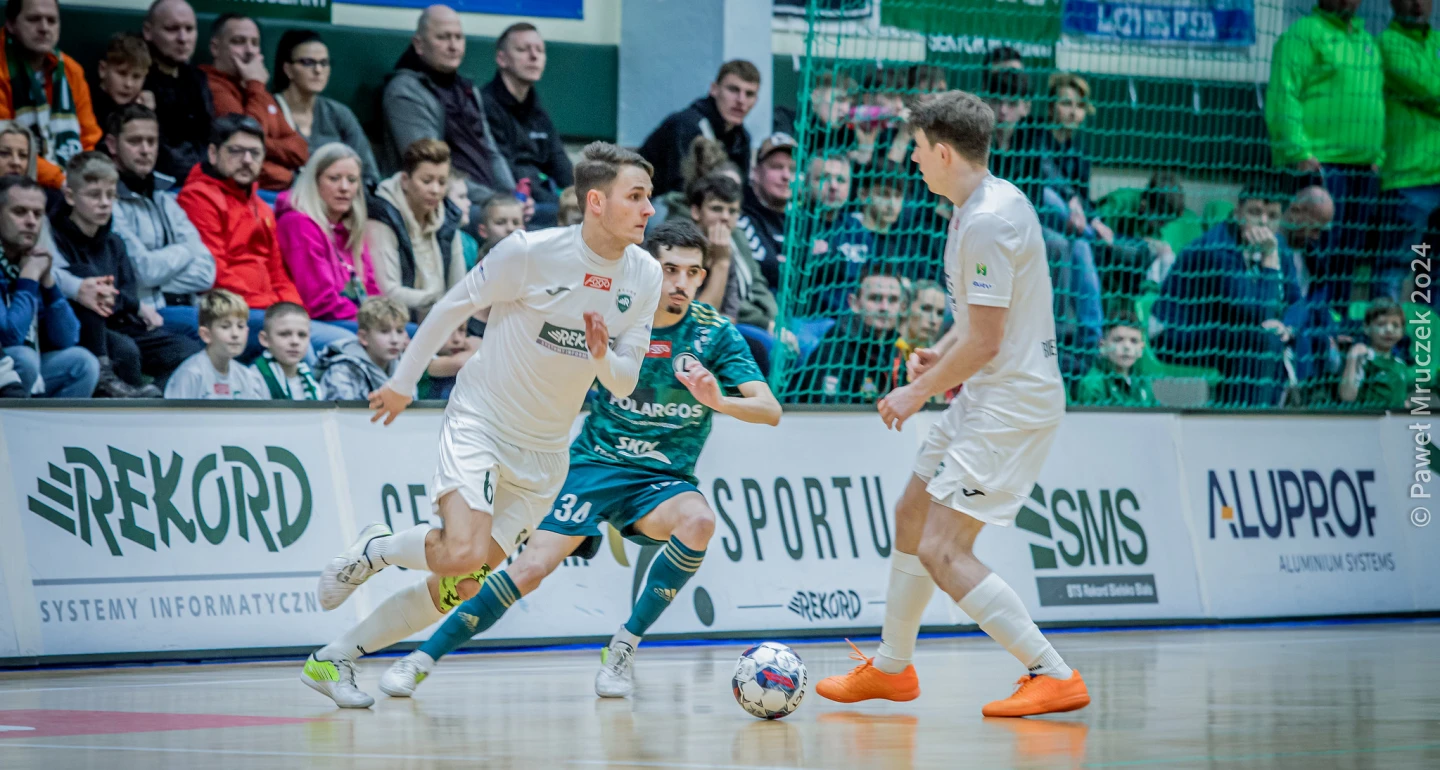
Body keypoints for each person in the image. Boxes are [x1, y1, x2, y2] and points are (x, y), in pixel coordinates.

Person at [301, 142, 662, 709]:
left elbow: (622, 381)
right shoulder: (529, 252)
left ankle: (333, 659)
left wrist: (600, 355)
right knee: (463, 551)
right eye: (635, 196)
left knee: (461, 584)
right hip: (483, 422)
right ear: (596, 201)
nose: (648, 209)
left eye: (649, 197)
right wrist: (403, 382)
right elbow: (452, 307)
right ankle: (378, 548)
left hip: (546, 452)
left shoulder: (644, 274)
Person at [378, 219, 781, 699]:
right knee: (528, 570)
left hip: (661, 479)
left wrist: (720, 401)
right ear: (649, 268)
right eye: (671, 269)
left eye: (693, 273)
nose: (681, 283)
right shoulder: (617, 315)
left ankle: (624, 646)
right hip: (592, 464)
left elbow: (769, 410)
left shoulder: (714, 335)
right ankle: (420, 659)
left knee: (699, 522)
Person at [816, 90, 1089, 718]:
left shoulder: (989, 221)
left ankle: (1052, 672)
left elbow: (988, 341)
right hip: (989, 391)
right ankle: (892, 669)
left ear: (943, 152)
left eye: (916, 148)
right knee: (912, 514)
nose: (911, 159)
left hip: (1012, 402)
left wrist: (916, 390)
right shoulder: (983, 203)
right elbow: (981, 322)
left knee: (942, 549)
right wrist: (938, 354)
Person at [177, 114, 352, 359]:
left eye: (255, 153)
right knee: (303, 347)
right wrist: (273, 307)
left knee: (350, 343)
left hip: (267, 310)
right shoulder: (198, 198)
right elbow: (215, 272)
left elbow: (278, 272)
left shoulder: (261, 207)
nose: (247, 160)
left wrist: (291, 309)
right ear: (213, 154)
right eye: (236, 151)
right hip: (227, 311)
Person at [1266, 0, 1384, 311]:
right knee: (1317, 255)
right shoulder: (1303, 33)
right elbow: (1283, 93)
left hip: (1363, 170)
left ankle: (1334, 326)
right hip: (1321, 167)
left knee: (1346, 258)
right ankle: (1306, 325)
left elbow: (1379, 102)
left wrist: (1378, 155)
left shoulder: (1366, 42)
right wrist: (1299, 151)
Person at [52, 152, 200, 395]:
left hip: (121, 323)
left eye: (110, 195)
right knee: (125, 349)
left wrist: (121, 302)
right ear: (70, 196)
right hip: (82, 331)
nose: (104, 203)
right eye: (94, 195)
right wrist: (121, 300)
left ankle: (154, 397)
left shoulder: (115, 243)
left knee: (188, 351)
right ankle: (129, 401)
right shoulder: (55, 237)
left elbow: (127, 293)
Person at [1152, 188, 1303, 407]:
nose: (1263, 221)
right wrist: (1269, 260)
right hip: (1176, 332)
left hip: (1224, 330)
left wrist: (1287, 328)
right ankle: (1245, 417)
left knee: (1297, 337)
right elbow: (1253, 312)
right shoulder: (1217, 248)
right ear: (1238, 212)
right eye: (1255, 212)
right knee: (1255, 340)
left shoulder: (1277, 244)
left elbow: (1297, 301)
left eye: (1272, 216)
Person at [380, 5, 516, 211]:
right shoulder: (404, 91)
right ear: (419, 44)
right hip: (444, 204)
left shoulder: (467, 89)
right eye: (443, 37)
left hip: (491, 202)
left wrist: (513, 195)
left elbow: (492, 152)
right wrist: (496, 201)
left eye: (458, 37)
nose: (453, 46)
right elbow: (429, 168)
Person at [103, 104, 214, 339]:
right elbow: (142, 271)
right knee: (217, 330)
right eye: (135, 141)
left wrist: (155, 279)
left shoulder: (164, 197)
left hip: (185, 305)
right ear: (112, 144)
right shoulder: (107, 200)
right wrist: (186, 250)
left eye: (151, 142)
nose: (145, 150)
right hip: (143, 315)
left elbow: (207, 271)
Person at [0, 174, 97, 397]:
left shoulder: (30, 261)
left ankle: (54, 422)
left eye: (37, 214)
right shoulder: (28, 269)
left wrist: (48, 283)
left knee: (83, 363)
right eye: (19, 212)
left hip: (29, 363)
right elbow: (9, 336)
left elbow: (68, 337)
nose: (31, 222)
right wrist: (29, 278)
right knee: (24, 359)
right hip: (5, 366)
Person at [200, 13, 308, 193]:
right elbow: (244, 147)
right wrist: (286, 175)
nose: (249, 50)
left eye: (255, 43)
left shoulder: (257, 88)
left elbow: (300, 150)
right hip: (237, 190)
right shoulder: (211, 86)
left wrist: (264, 144)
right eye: (238, 42)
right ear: (215, 48)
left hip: (278, 191)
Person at [277, 142, 379, 331]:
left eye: (352, 180)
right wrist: (374, 325)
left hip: (356, 320)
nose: (344, 188)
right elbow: (319, 301)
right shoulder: (298, 224)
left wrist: (384, 320)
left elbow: (372, 289)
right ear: (314, 182)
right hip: (320, 322)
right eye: (334, 179)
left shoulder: (351, 228)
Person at [1, 0, 101, 190]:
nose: (44, 28)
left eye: (52, 20)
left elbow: (88, 138)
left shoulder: (71, 71)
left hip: (68, 181)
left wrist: (85, 177)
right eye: (34, 19)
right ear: (11, 24)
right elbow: (3, 146)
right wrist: (61, 181)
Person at [1378, 0, 1439, 300]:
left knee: (1431, 271)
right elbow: (1428, 89)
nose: (1417, 5)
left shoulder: (1437, 42)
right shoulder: (1388, 44)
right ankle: (1384, 329)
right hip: (1407, 179)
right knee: (1396, 266)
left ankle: (1427, 331)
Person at [367, 138, 466, 323]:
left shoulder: (449, 217)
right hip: (396, 323)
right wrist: (439, 302)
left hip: (440, 319)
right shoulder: (383, 216)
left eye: (442, 182)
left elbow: (459, 287)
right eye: (427, 181)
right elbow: (387, 292)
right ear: (405, 181)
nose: (435, 190)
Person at [482, 22, 571, 226]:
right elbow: (503, 170)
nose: (534, 56)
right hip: (513, 201)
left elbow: (561, 165)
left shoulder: (537, 108)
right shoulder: (485, 105)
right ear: (502, 58)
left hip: (544, 199)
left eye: (540, 50)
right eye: (523, 49)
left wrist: (582, 195)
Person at [785, 267, 906, 404]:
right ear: (854, 303)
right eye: (875, 298)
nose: (884, 307)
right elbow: (829, 412)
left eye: (893, 300)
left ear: (902, 307)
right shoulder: (834, 350)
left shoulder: (895, 347)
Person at [272, 29, 379, 183]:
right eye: (308, 62)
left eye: (324, 63)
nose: (318, 70)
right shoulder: (269, 109)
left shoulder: (339, 113)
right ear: (288, 69)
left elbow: (368, 173)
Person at [640, 60, 761, 196]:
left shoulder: (742, 138)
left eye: (749, 94)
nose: (741, 100)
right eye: (733, 90)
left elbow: (739, 193)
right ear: (714, 89)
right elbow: (679, 190)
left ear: (756, 100)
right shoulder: (687, 125)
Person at [141, 0, 212, 182]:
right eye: (172, 29)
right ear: (148, 31)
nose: (183, 38)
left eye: (189, 29)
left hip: (201, 178)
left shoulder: (198, 78)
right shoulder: (136, 79)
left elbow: (210, 137)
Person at [163, 288, 266, 399]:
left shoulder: (246, 376)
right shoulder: (191, 374)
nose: (235, 334)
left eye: (240, 326)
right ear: (206, 334)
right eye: (225, 327)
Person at [318, 296, 409, 400]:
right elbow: (340, 410)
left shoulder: (405, 367)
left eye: (399, 331)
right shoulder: (342, 372)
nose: (395, 340)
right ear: (364, 337)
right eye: (384, 331)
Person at [737, 133, 797, 290]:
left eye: (793, 169)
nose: (786, 176)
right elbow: (767, 267)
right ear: (755, 172)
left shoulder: (802, 219)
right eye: (777, 167)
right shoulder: (740, 213)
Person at [1339, 298, 1409, 408]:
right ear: (1367, 328)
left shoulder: (1400, 365)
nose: (1389, 330)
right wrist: (1352, 358)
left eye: (1395, 325)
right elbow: (1347, 396)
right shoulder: (1364, 358)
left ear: (1402, 331)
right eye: (1381, 324)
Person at [1076, 315, 1155, 407]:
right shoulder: (1094, 384)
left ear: (1141, 348)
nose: (1127, 347)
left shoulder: (1143, 380)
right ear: (1102, 346)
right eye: (1118, 340)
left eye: (1134, 341)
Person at [92, 32, 155, 138]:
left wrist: (146, 115)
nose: (128, 84)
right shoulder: (87, 106)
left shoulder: (141, 106)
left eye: (136, 76)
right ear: (103, 70)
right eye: (122, 73)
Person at [254, 301, 318, 400]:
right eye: (284, 334)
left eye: (302, 335)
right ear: (265, 339)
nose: (295, 341)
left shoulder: (311, 381)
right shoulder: (253, 379)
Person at [474, 192, 525, 261]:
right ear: (483, 231)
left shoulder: (532, 256)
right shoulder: (482, 264)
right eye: (500, 223)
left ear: (523, 229)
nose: (510, 228)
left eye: (516, 223)